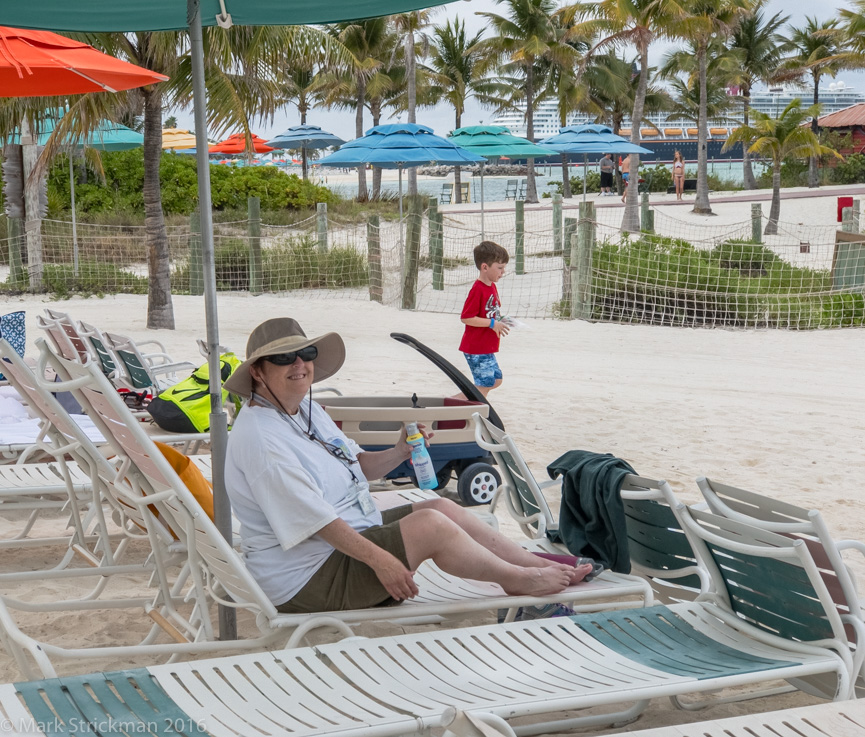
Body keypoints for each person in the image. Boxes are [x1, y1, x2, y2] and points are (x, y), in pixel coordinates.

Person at [223, 317, 592, 614]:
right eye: (285, 358)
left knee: (441, 505)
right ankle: (519, 579)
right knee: (430, 525)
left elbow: (359, 467)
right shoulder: (262, 438)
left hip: (336, 544)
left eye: (306, 352)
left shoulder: (304, 409)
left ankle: (526, 563)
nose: (300, 364)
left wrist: (400, 450)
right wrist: (383, 561)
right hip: (305, 578)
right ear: (257, 372)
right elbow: (316, 523)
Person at [459, 241, 509, 398]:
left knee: (496, 380)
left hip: (486, 346)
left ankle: (455, 400)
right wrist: (492, 323)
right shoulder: (478, 289)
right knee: (483, 386)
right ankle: (475, 414)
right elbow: (466, 317)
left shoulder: (492, 286)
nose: (503, 272)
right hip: (476, 347)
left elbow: (490, 312)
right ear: (485, 267)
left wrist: (502, 320)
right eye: (499, 268)